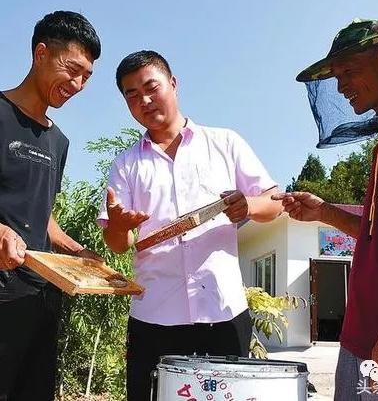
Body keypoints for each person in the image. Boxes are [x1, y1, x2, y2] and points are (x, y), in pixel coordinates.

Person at [97, 50, 281, 400]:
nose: (145, 100)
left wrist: (248, 205)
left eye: (151, 87)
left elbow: (274, 202)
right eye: (131, 95)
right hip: (154, 318)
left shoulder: (225, 142)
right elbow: (119, 243)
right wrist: (119, 226)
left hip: (224, 312)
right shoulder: (125, 164)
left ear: (174, 84)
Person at [273, 19, 378, 400]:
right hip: (362, 339)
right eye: (335, 77)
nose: (340, 86)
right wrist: (325, 213)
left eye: (349, 71)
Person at [0, 11, 102, 401]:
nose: (77, 85)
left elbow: (43, 212)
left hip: (41, 294)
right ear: (41, 54)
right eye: (72, 69)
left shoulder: (58, 141)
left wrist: (77, 252)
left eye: (86, 77)